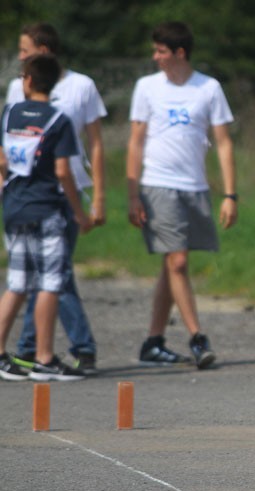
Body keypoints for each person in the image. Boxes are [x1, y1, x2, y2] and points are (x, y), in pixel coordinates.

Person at [126, 21, 238, 369]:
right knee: (178, 262)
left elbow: (222, 142)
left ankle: (153, 341)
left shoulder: (208, 88)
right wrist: (132, 195)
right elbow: (136, 142)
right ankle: (197, 338)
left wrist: (230, 194)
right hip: (157, 184)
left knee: (169, 264)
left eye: (161, 51)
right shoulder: (147, 87)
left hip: (195, 186)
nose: (155, 57)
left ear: (179, 53)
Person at [6, 23, 106, 375]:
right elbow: (22, 154)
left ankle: (28, 350)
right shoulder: (26, 97)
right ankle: (54, 352)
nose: (19, 58)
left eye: (24, 50)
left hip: (47, 196)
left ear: (43, 53)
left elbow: (94, 143)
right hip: (41, 198)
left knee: (33, 279)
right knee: (52, 277)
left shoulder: (81, 87)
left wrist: (99, 196)